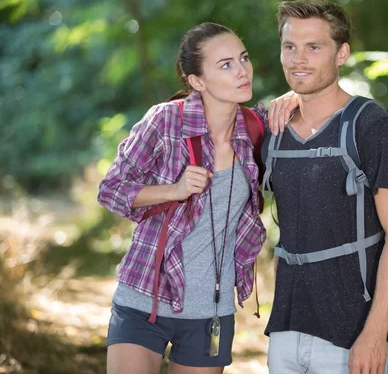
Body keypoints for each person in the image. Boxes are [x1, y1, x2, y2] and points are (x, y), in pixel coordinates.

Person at [97, 22, 294, 374]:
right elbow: (111, 190)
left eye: (243, 58)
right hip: (145, 298)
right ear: (197, 81)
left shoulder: (256, 129)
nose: (242, 71)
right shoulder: (165, 122)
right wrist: (173, 190)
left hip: (210, 312)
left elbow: (312, 111)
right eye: (225, 65)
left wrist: (297, 97)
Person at [264, 0, 388, 374]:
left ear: (342, 53)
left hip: (352, 334)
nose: (299, 59)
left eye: (314, 47)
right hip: (284, 328)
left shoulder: (371, 127)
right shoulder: (273, 129)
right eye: (290, 47)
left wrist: (375, 333)